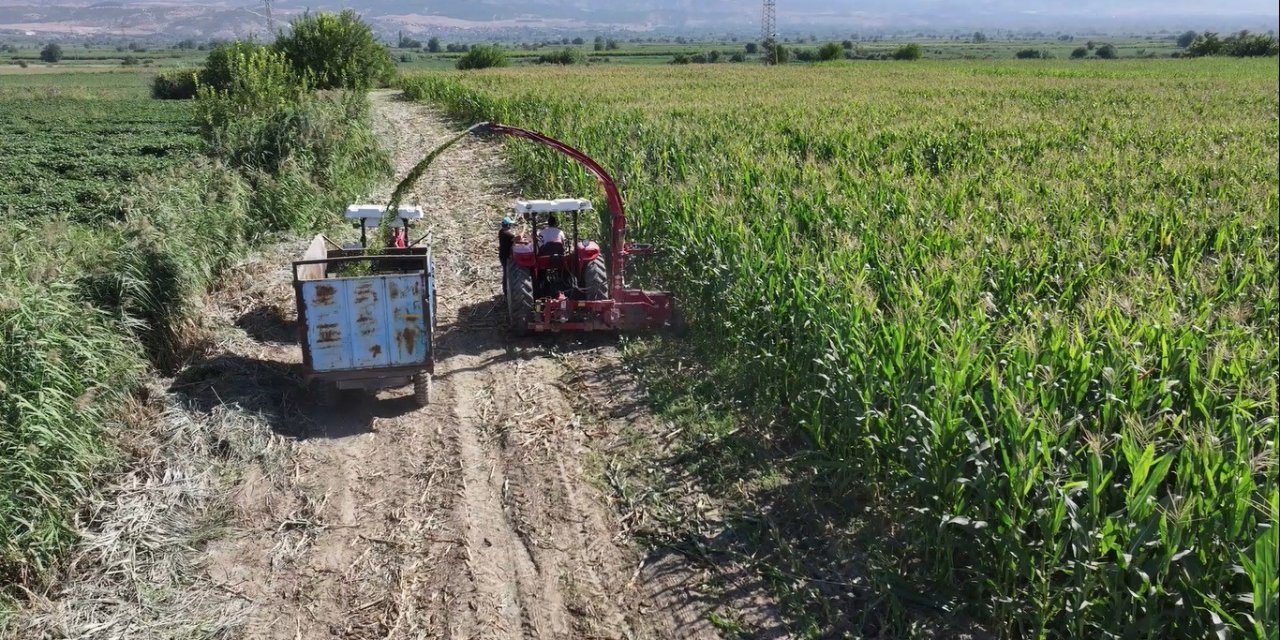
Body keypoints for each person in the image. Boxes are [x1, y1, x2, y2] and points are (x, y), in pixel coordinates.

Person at [498, 217, 516, 298]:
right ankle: (506, 291)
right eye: (510, 224)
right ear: (508, 224)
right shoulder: (506, 233)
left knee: (506, 273)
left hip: (502, 255)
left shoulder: (501, 232)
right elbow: (516, 239)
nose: (511, 226)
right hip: (505, 256)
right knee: (506, 273)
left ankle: (506, 290)